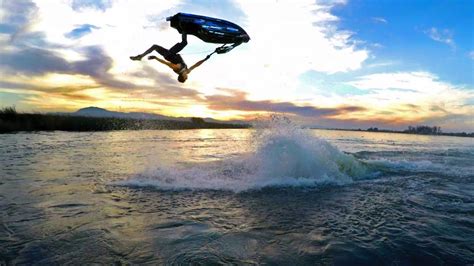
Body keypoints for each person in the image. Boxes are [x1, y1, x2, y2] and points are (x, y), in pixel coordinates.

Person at [130, 33, 211, 83]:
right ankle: (140, 57)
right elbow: (196, 65)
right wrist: (205, 59)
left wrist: (156, 58)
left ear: (182, 77)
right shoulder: (187, 71)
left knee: (184, 43)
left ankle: (184, 29)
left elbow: (166, 63)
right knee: (154, 46)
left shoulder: (177, 68)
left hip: (169, 54)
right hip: (169, 54)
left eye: (185, 79)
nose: (187, 78)